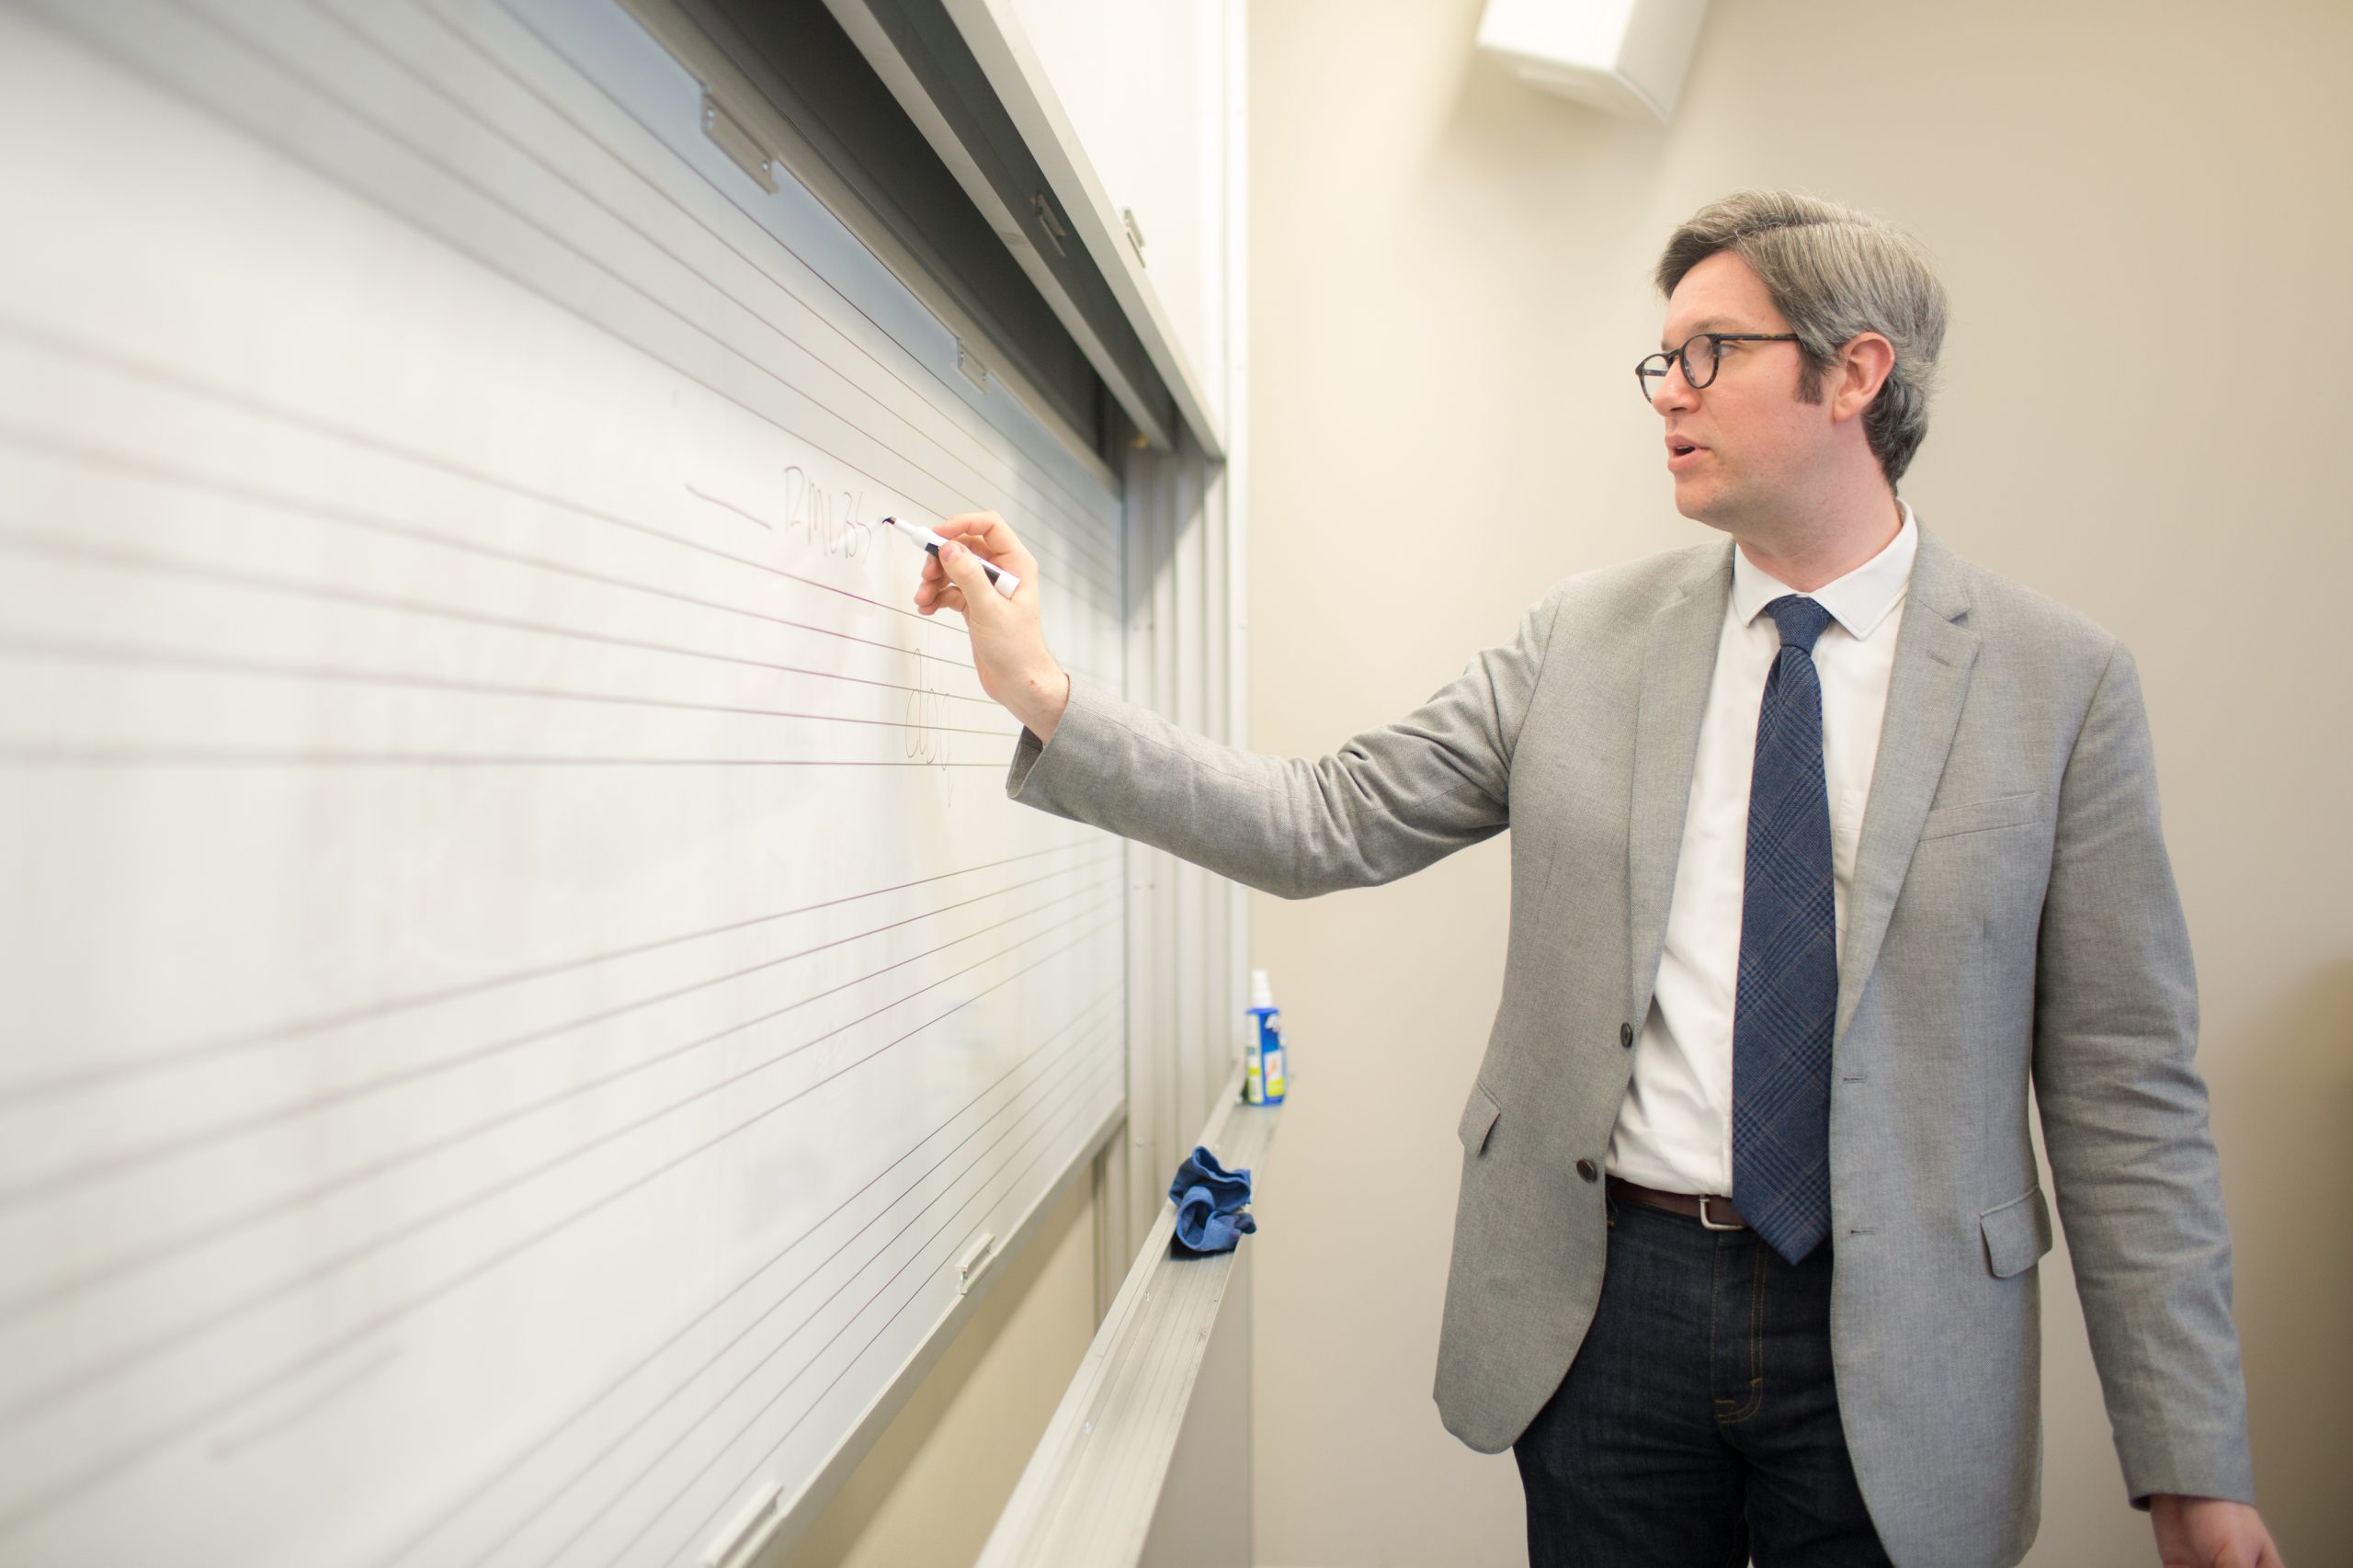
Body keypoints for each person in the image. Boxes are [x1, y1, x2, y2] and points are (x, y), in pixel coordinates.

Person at [911, 191, 2281, 1568]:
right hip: (1614, 1309)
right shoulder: (1582, 639)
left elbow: (2125, 1091)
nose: (1666, 393)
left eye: (1710, 353)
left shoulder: (2060, 685)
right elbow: (1323, 816)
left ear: (1854, 373)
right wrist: (1043, 690)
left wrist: (2192, 1465)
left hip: (1906, 1336)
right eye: (1661, 359)